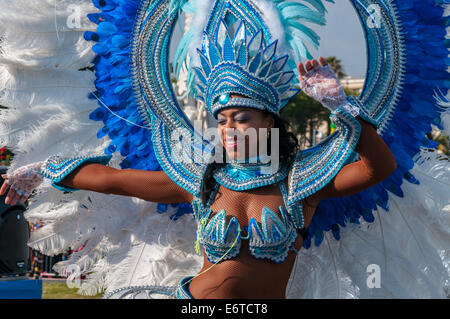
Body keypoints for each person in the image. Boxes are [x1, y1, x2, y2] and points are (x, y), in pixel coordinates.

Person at [0, 0, 448, 299]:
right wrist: (41, 169)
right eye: (221, 119)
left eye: (242, 117)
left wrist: (340, 106)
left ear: (270, 120)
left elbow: (378, 167)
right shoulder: (203, 180)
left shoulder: (301, 182)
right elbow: (115, 180)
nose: (229, 129)